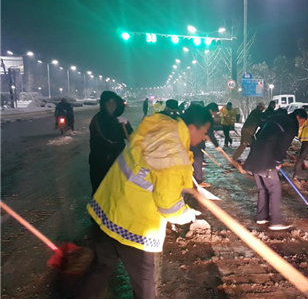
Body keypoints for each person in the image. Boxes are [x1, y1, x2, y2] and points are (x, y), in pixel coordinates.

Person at [78, 104, 214, 299]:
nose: (205, 137)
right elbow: (168, 206)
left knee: (102, 267)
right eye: (205, 131)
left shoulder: (161, 126)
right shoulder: (174, 151)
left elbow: (151, 170)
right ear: (192, 128)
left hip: (108, 207)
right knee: (145, 286)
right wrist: (187, 214)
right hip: (134, 223)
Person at [244, 109, 308, 230]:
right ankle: (276, 222)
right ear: (299, 118)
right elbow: (282, 144)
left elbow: (260, 135)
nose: (301, 125)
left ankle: (262, 217)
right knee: (275, 189)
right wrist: (278, 161)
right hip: (267, 159)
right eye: (303, 122)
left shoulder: (278, 118)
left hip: (255, 155)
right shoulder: (291, 124)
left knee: (263, 189)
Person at [89, 91, 134, 194]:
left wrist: (127, 125)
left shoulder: (117, 120)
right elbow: (108, 138)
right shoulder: (98, 119)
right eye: (109, 102)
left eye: (114, 102)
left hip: (118, 162)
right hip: (101, 163)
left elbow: (131, 138)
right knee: (101, 191)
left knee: (117, 191)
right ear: (104, 104)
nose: (112, 105)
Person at [191, 102, 221, 188]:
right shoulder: (207, 116)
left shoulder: (198, 112)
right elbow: (210, 132)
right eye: (214, 112)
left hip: (186, 136)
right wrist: (216, 145)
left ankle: (189, 178)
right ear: (211, 110)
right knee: (198, 159)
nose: (214, 114)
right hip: (195, 140)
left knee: (191, 158)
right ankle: (198, 181)